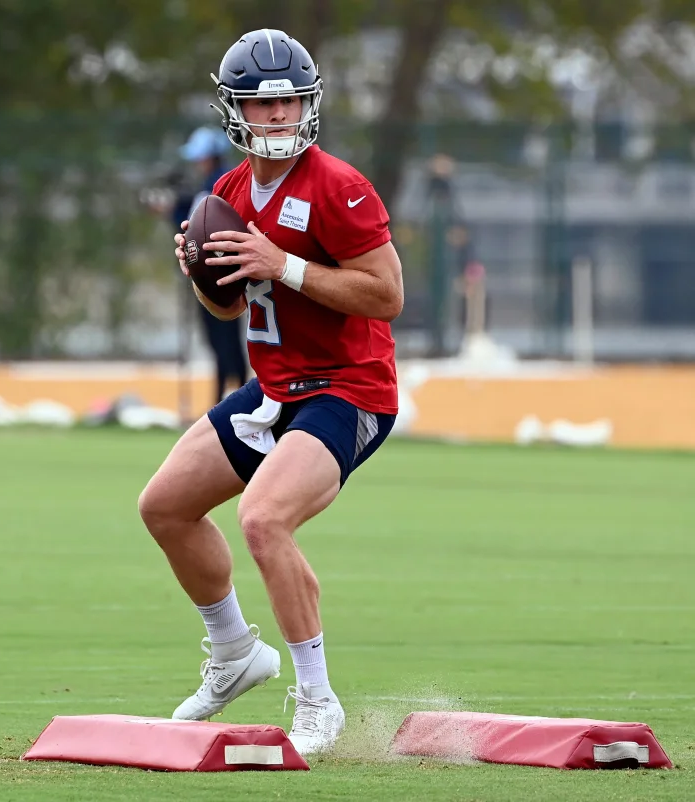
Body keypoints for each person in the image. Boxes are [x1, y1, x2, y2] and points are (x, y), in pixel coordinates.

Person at [137, 29, 403, 756]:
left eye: (289, 101)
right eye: (263, 104)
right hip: (275, 388)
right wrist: (202, 274)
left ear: (308, 103)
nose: (279, 116)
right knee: (163, 506)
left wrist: (282, 263)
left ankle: (317, 699)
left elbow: (386, 295)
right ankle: (233, 654)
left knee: (263, 520)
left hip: (349, 390)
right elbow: (232, 309)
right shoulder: (223, 193)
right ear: (237, 113)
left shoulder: (340, 186)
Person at [175, 127, 249, 405]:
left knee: (223, 340)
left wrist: (174, 213)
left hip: (219, 273)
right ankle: (226, 397)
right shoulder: (216, 181)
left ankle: (230, 397)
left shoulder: (218, 184)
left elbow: (199, 227)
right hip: (221, 271)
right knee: (223, 342)